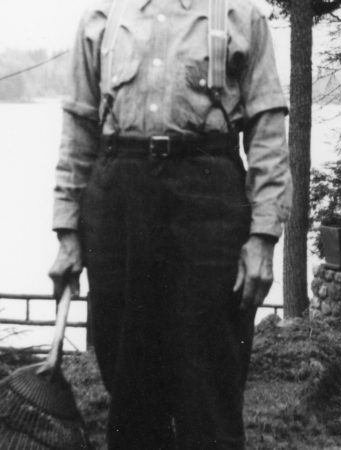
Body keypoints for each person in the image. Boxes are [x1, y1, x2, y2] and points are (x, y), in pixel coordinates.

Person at [48, 0, 291, 448]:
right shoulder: (101, 17)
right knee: (130, 385)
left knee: (210, 384)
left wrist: (262, 238)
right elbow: (78, 127)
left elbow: (267, 131)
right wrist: (67, 233)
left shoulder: (241, 15)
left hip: (210, 202)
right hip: (119, 205)